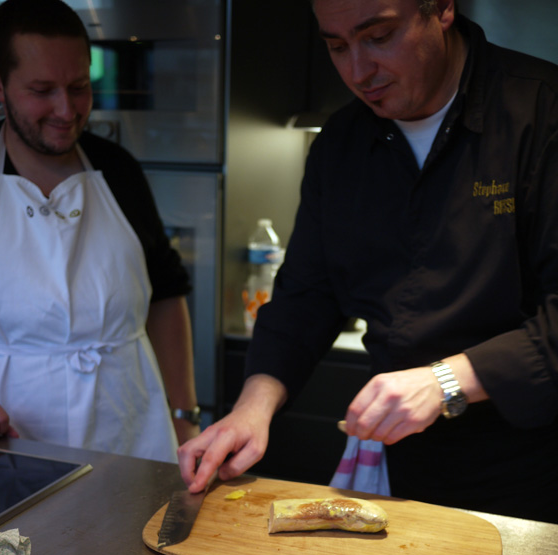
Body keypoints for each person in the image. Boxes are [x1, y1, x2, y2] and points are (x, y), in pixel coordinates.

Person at [179, 0, 558, 522]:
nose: (358, 71)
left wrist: (443, 382)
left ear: (442, 9)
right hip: (403, 466)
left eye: (378, 36)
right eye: (336, 46)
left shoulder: (542, 112)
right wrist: (252, 408)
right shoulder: (342, 143)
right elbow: (306, 297)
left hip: (532, 470)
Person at [0, 0, 200, 462]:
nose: (66, 110)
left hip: (130, 434)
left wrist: (184, 414)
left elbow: (167, 294)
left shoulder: (119, 169)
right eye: (42, 90)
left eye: (79, 87)